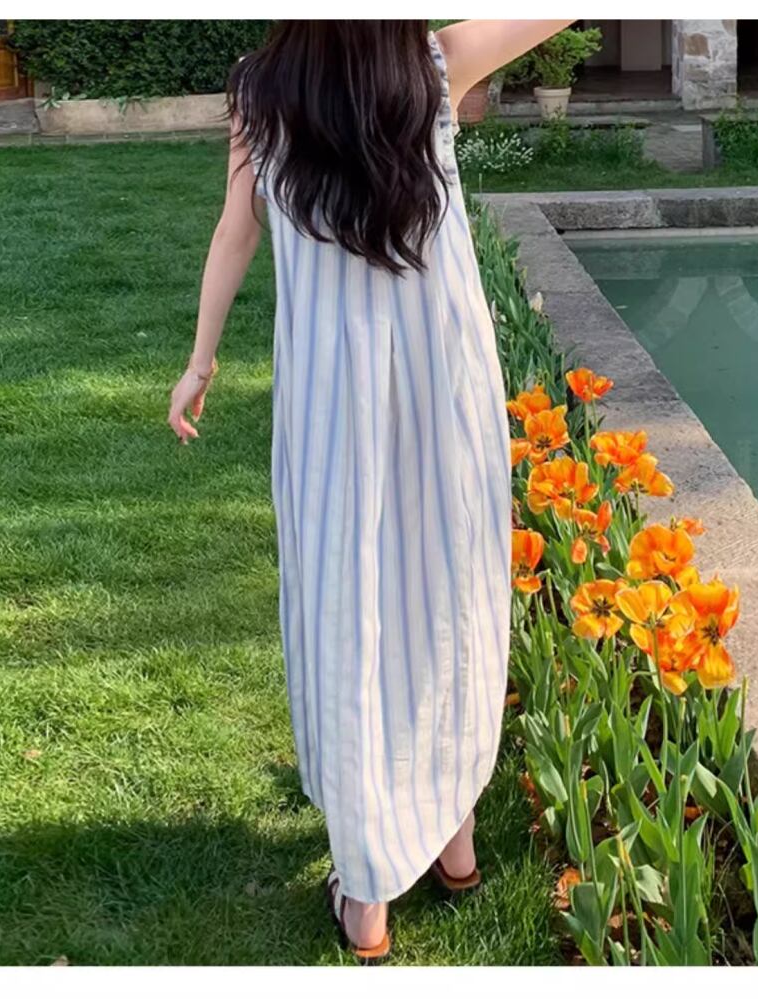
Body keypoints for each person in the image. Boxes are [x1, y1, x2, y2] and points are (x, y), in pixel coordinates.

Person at [168, 19, 576, 963]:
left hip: (330, 402)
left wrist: (200, 360)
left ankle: (367, 896)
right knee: (448, 602)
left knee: (347, 617)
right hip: (443, 390)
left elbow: (236, 230)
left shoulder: (260, 88)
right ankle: (452, 845)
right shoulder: (434, 61)